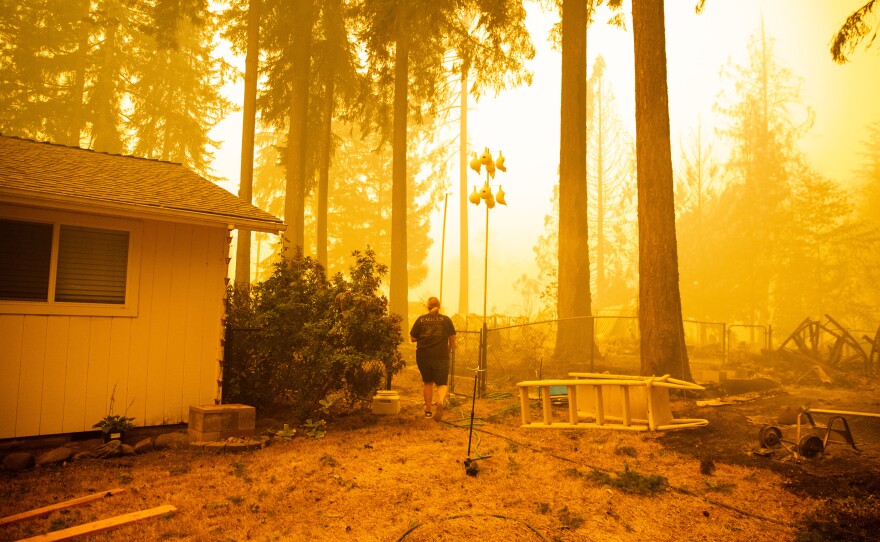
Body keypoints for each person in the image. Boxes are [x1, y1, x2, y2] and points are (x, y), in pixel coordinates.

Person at [409, 296, 456, 418]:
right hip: (441, 355)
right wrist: (449, 348)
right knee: (442, 383)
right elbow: (452, 337)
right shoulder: (446, 320)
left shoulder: (421, 320)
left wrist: (425, 336)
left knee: (428, 383)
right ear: (439, 307)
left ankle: (428, 411)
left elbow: (412, 338)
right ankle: (440, 402)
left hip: (423, 356)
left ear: (427, 307)